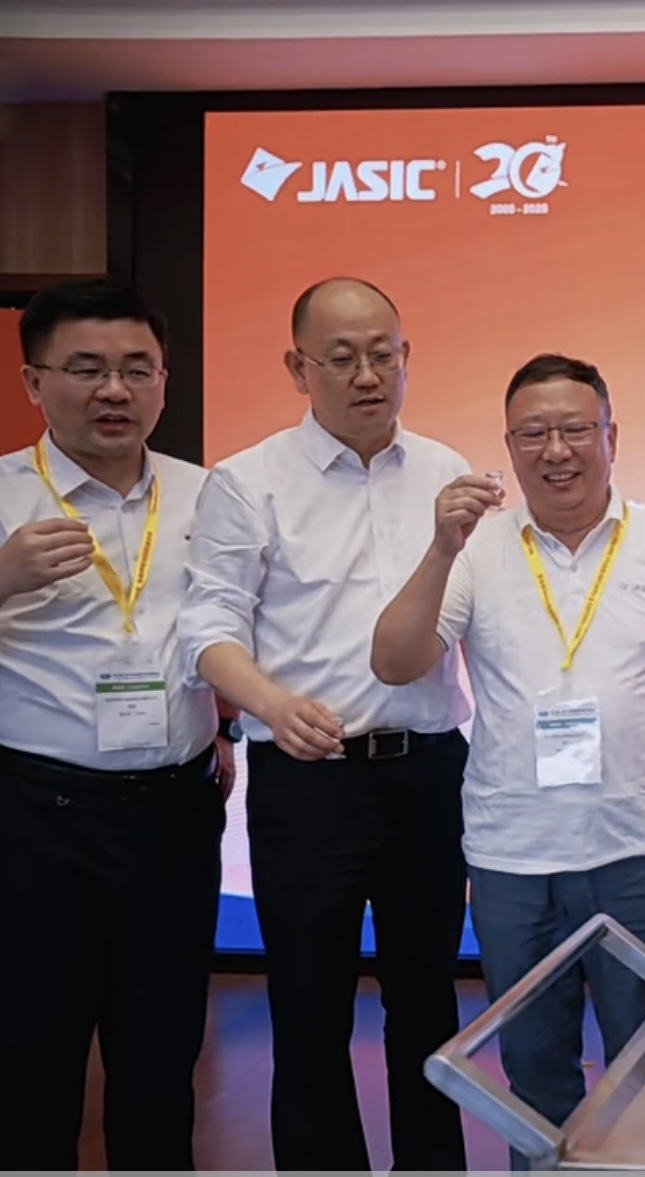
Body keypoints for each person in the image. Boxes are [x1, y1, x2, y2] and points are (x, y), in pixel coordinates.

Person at [371, 353, 645, 1165]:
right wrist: (439, 549)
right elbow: (394, 662)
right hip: (513, 855)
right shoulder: (475, 552)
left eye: (575, 429)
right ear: (508, 446)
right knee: (534, 1072)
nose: (556, 450)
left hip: (636, 846)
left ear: (612, 437)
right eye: (533, 433)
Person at [179, 276, 474, 1171]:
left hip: (428, 771)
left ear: (407, 357)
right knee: (309, 1010)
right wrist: (270, 704)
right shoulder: (249, 481)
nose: (367, 374)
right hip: (309, 782)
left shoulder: (445, 471)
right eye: (341, 358)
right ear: (297, 367)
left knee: (429, 1004)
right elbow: (208, 627)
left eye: (384, 354)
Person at [0, 280, 235, 1170]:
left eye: (138, 369)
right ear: (34, 380)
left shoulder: (208, 495)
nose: (114, 390)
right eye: (87, 368)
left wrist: (227, 727)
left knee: (162, 1058)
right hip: (37, 819)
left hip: (175, 813)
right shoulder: (3, 496)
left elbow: (225, 628)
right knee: (32, 1057)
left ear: (165, 381)